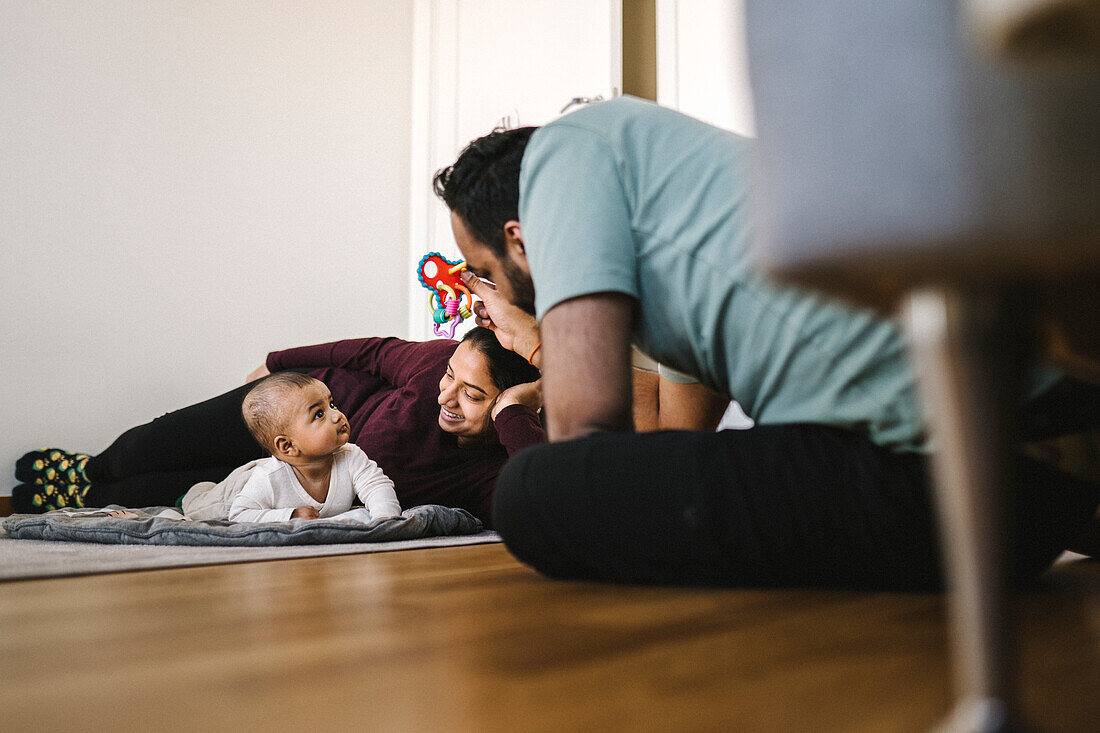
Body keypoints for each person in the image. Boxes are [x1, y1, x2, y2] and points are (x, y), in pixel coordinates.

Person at [432, 95, 1100, 589]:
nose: (494, 292)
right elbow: (668, 443)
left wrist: (530, 343)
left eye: (487, 272)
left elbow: (584, 448)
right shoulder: (679, 248)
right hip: (1039, 478)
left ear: (522, 236)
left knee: (533, 490)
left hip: (953, 472)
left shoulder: (562, 150)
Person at [13, 327, 543, 527]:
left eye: (472, 395)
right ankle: (92, 466)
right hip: (292, 408)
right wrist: (278, 363)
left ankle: (88, 493)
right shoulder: (433, 364)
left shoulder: (488, 470)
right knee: (151, 443)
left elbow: (536, 495)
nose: (444, 397)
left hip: (301, 478)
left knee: (175, 492)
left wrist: (515, 413)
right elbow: (369, 352)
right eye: (450, 376)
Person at [228, 372, 401, 523]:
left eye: (331, 404)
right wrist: (290, 515)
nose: (337, 416)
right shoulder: (268, 479)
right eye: (319, 414)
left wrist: (384, 520)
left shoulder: (351, 456)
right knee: (213, 504)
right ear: (288, 446)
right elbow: (239, 515)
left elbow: (377, 487)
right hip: (237, 486)